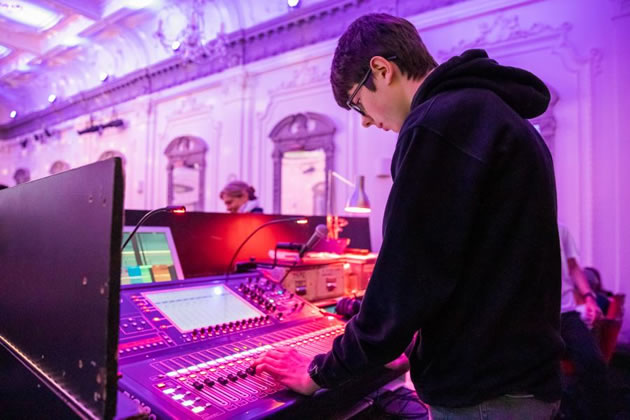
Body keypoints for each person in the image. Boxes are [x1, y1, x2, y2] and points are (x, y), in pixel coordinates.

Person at [253, 13, 563, 419]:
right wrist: (409, 349)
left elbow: (406, 278)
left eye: (356, 102)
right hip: (515, 381)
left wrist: (320, 373)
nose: (365, 119)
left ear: (381, 70)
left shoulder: (437, 122)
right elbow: (462, 268)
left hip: (485, 393)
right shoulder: (489, 111)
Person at [557, 224, 610, 419]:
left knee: (593, 363)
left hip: (566, 313)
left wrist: (589, 296)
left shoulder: (561, 229)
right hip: (537, 316)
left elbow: (573, 267)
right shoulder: (520, 225)